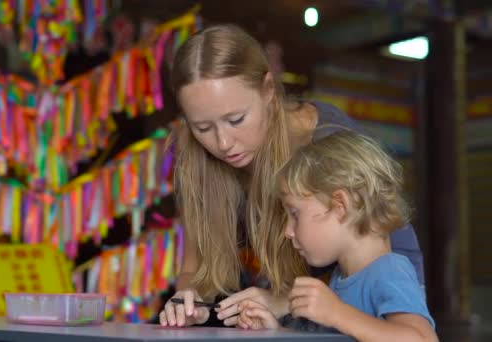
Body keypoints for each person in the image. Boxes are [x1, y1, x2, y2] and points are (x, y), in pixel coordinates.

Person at [158, 23, 424, 328]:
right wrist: (188, 302)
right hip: (302, 304)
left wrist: (285, 301)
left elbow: (365, 271)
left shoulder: (328, 147)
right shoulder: (197, 161)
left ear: (268, 90)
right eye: (202, 128)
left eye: (236, 119)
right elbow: (194, 269)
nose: (223, 143)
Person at [235, 131, 437, 342]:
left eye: (295, 214)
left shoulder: (388, 271)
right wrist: (276, 331)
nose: (288, 231)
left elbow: (423, 339)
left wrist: (337, 313)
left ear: (340, 206)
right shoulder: (341, 278)